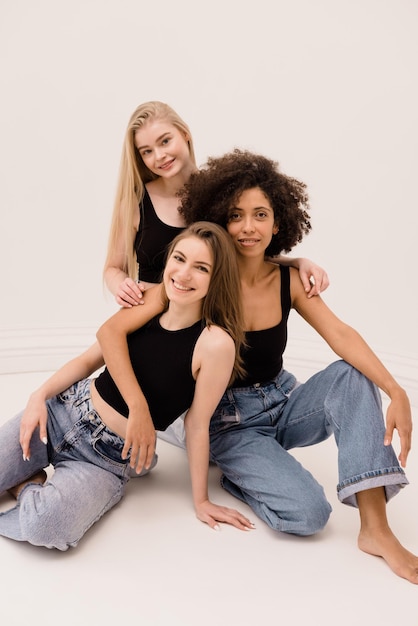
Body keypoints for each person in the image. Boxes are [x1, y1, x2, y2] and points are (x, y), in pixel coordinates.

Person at [98, 149, 417, 584]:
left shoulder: (288, 280)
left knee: (352, 373)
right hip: (230, 423)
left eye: (261, 215)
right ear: (218, 221)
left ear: (278, 222)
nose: (248, 227)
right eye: (236, 215)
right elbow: (121, 328)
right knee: (308, 515)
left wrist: (396, 391)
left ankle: (376, 530)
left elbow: (341, 335)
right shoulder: (199, 283)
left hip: (285, 401)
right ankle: (242, 475)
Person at [0, 222, 254, 551]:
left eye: (201, 268)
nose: (184, 274)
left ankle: (27, 486)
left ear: (218, 278)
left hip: (106, 458)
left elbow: (196, 422)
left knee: (47, 526)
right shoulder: (151, 300)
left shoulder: (215, 343)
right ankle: (30, 481)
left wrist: (201, 500)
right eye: (179, 258)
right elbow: (89, 359)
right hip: (64, 410)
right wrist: (39, 395)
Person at [103, 100, 329, 308]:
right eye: (147, 151)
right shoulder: (135, 203)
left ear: (184, 134)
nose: (159, 155)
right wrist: (121, 286)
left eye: (165, 141)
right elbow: (113, 268)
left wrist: (297, 262)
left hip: (204, 320)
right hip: (144, 319)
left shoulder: (221, 193)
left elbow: (247, 248)